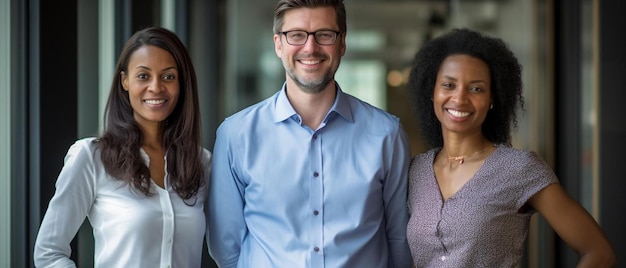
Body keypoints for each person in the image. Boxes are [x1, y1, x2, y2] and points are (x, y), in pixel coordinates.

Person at [207, 0, 412, 267]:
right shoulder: (236, 135)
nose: (310, 47)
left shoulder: (387, 135)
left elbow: (399, 242)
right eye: (296, 35)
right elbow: (226, 247)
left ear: (342, 43)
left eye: (324, 35)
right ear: (278, 44)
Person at [406, 28, 616, 267]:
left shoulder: (519, 168)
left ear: (492, 99)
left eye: (476, 88)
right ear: (432, 92)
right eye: (448, 85)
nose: (460, 98)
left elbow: (599, 253)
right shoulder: (417, 171)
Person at [33, 26, 211, 267]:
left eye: (168, 76)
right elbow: (49, 253)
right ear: (125, 81)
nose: (156, 87)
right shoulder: (91, 157)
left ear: (181, 84)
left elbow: (228, 245)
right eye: (143, 76)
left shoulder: (202, 163)